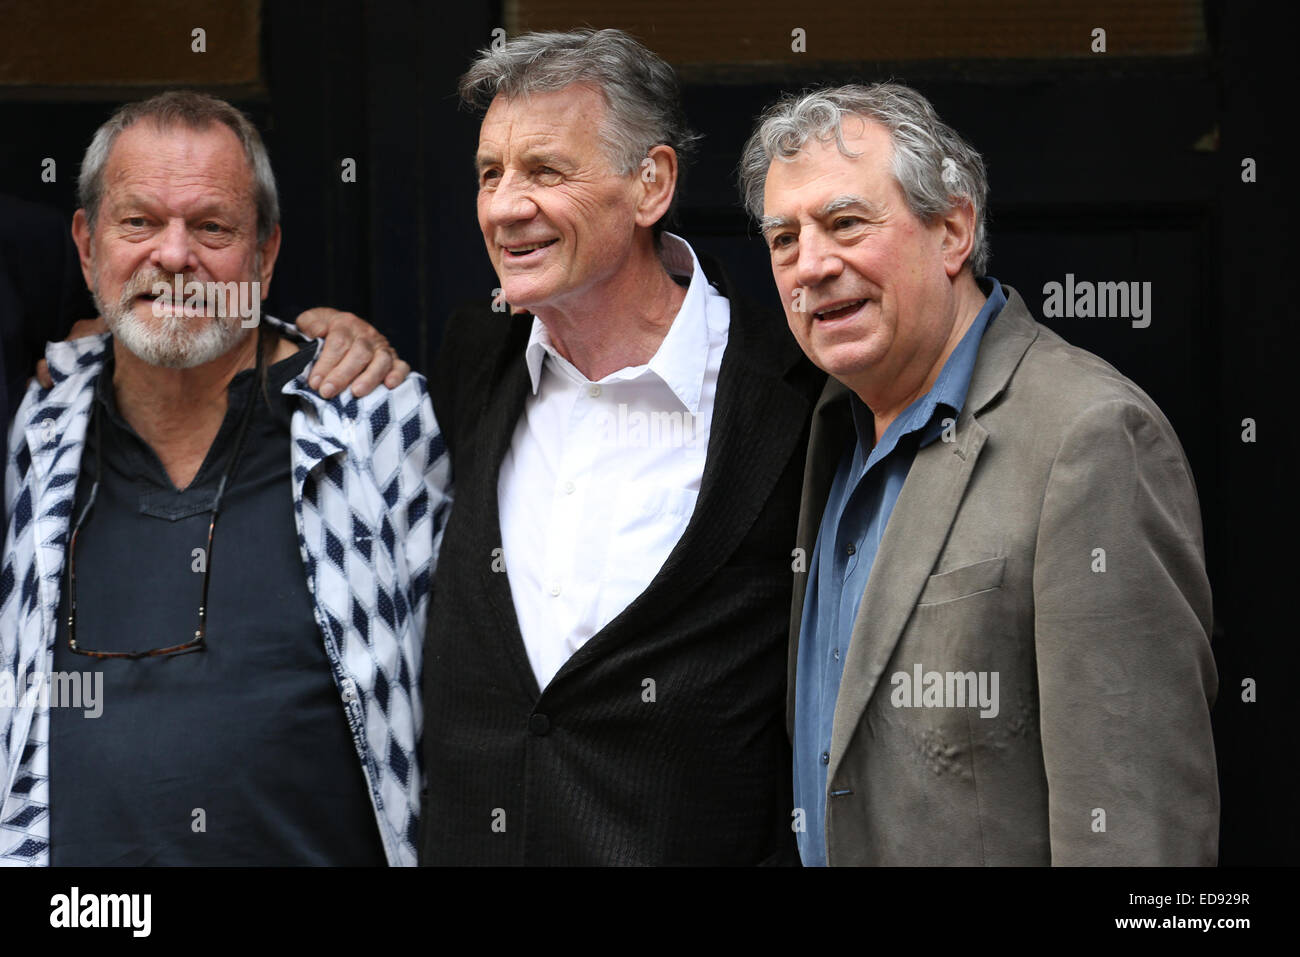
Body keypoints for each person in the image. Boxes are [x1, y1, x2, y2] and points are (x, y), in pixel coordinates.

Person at [740, 82, 1219, 865]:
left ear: (953, 230)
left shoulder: (1091, 437)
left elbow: (1139, 837)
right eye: (783, 238)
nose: (811, 265)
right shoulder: (827, 425)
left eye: (845, 223)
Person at [0, 91, 449, 866]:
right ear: (86, 245)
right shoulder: (34, 427)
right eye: (138, 222)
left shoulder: (375, 424)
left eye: (211, 227)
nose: (173, 256)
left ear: (265, 255)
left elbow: (466, 706)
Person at [422, 29, 822, 864]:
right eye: (490, 174)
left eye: (543, 171)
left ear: (652, 184)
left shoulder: (795, 397)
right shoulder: (473, 358)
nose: (503, 206)